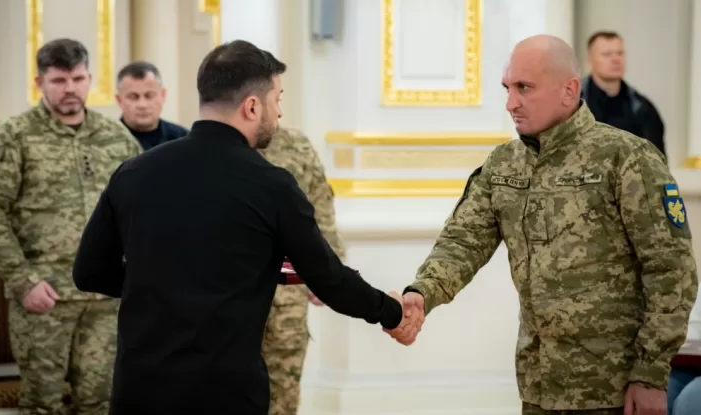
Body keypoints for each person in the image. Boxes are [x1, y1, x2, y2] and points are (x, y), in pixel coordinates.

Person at [71, 39, 408, 415]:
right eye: (277, 99)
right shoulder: (272, 185)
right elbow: (328, 279)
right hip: (224, 395)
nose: (279, 112)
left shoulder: (133, 172)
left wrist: (158, 284)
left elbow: (88, 272)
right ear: (252, 106)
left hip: (139, 392)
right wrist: (391, 312)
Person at [387, 34, 698, 415]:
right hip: (538, 384)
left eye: (525, 87)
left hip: (613, 389)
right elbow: (462, 242)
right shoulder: (503, 164)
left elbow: (671, 270)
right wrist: (421, 293)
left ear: (569, 90)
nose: (511, 103)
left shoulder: (627, 158)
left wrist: (650, 374)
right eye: (507, 88)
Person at [0, 38, 142, 414]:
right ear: (39, 82)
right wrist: (23, 281)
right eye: (59, 80)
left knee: (101, 402)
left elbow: (141, 208)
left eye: (78, 79)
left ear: (89, 79)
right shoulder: (12, 136)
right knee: (42, 404)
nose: (70, 89)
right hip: (44, 296)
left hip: (104, 298)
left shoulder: (115, 138)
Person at [259, 126, 345, 414]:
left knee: (285, 379)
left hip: (287, 291)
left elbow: (320, 205)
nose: (278, 109)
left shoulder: (296, 144)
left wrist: (328, 273)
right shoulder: (218, 145)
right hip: (233, 291)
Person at [581, 31, 665, 156]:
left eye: (620, 53)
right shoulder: (574, 104)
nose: (616, 59)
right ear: (590, 59)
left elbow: (657, 159)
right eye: (607, 54)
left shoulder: (642, 108)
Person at [115, 61, 188, 150]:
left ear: (163, 95)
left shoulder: (183, 139)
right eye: (133, 97)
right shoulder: (105, 141)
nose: (142, 105)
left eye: (149, 96)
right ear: (119, 100)